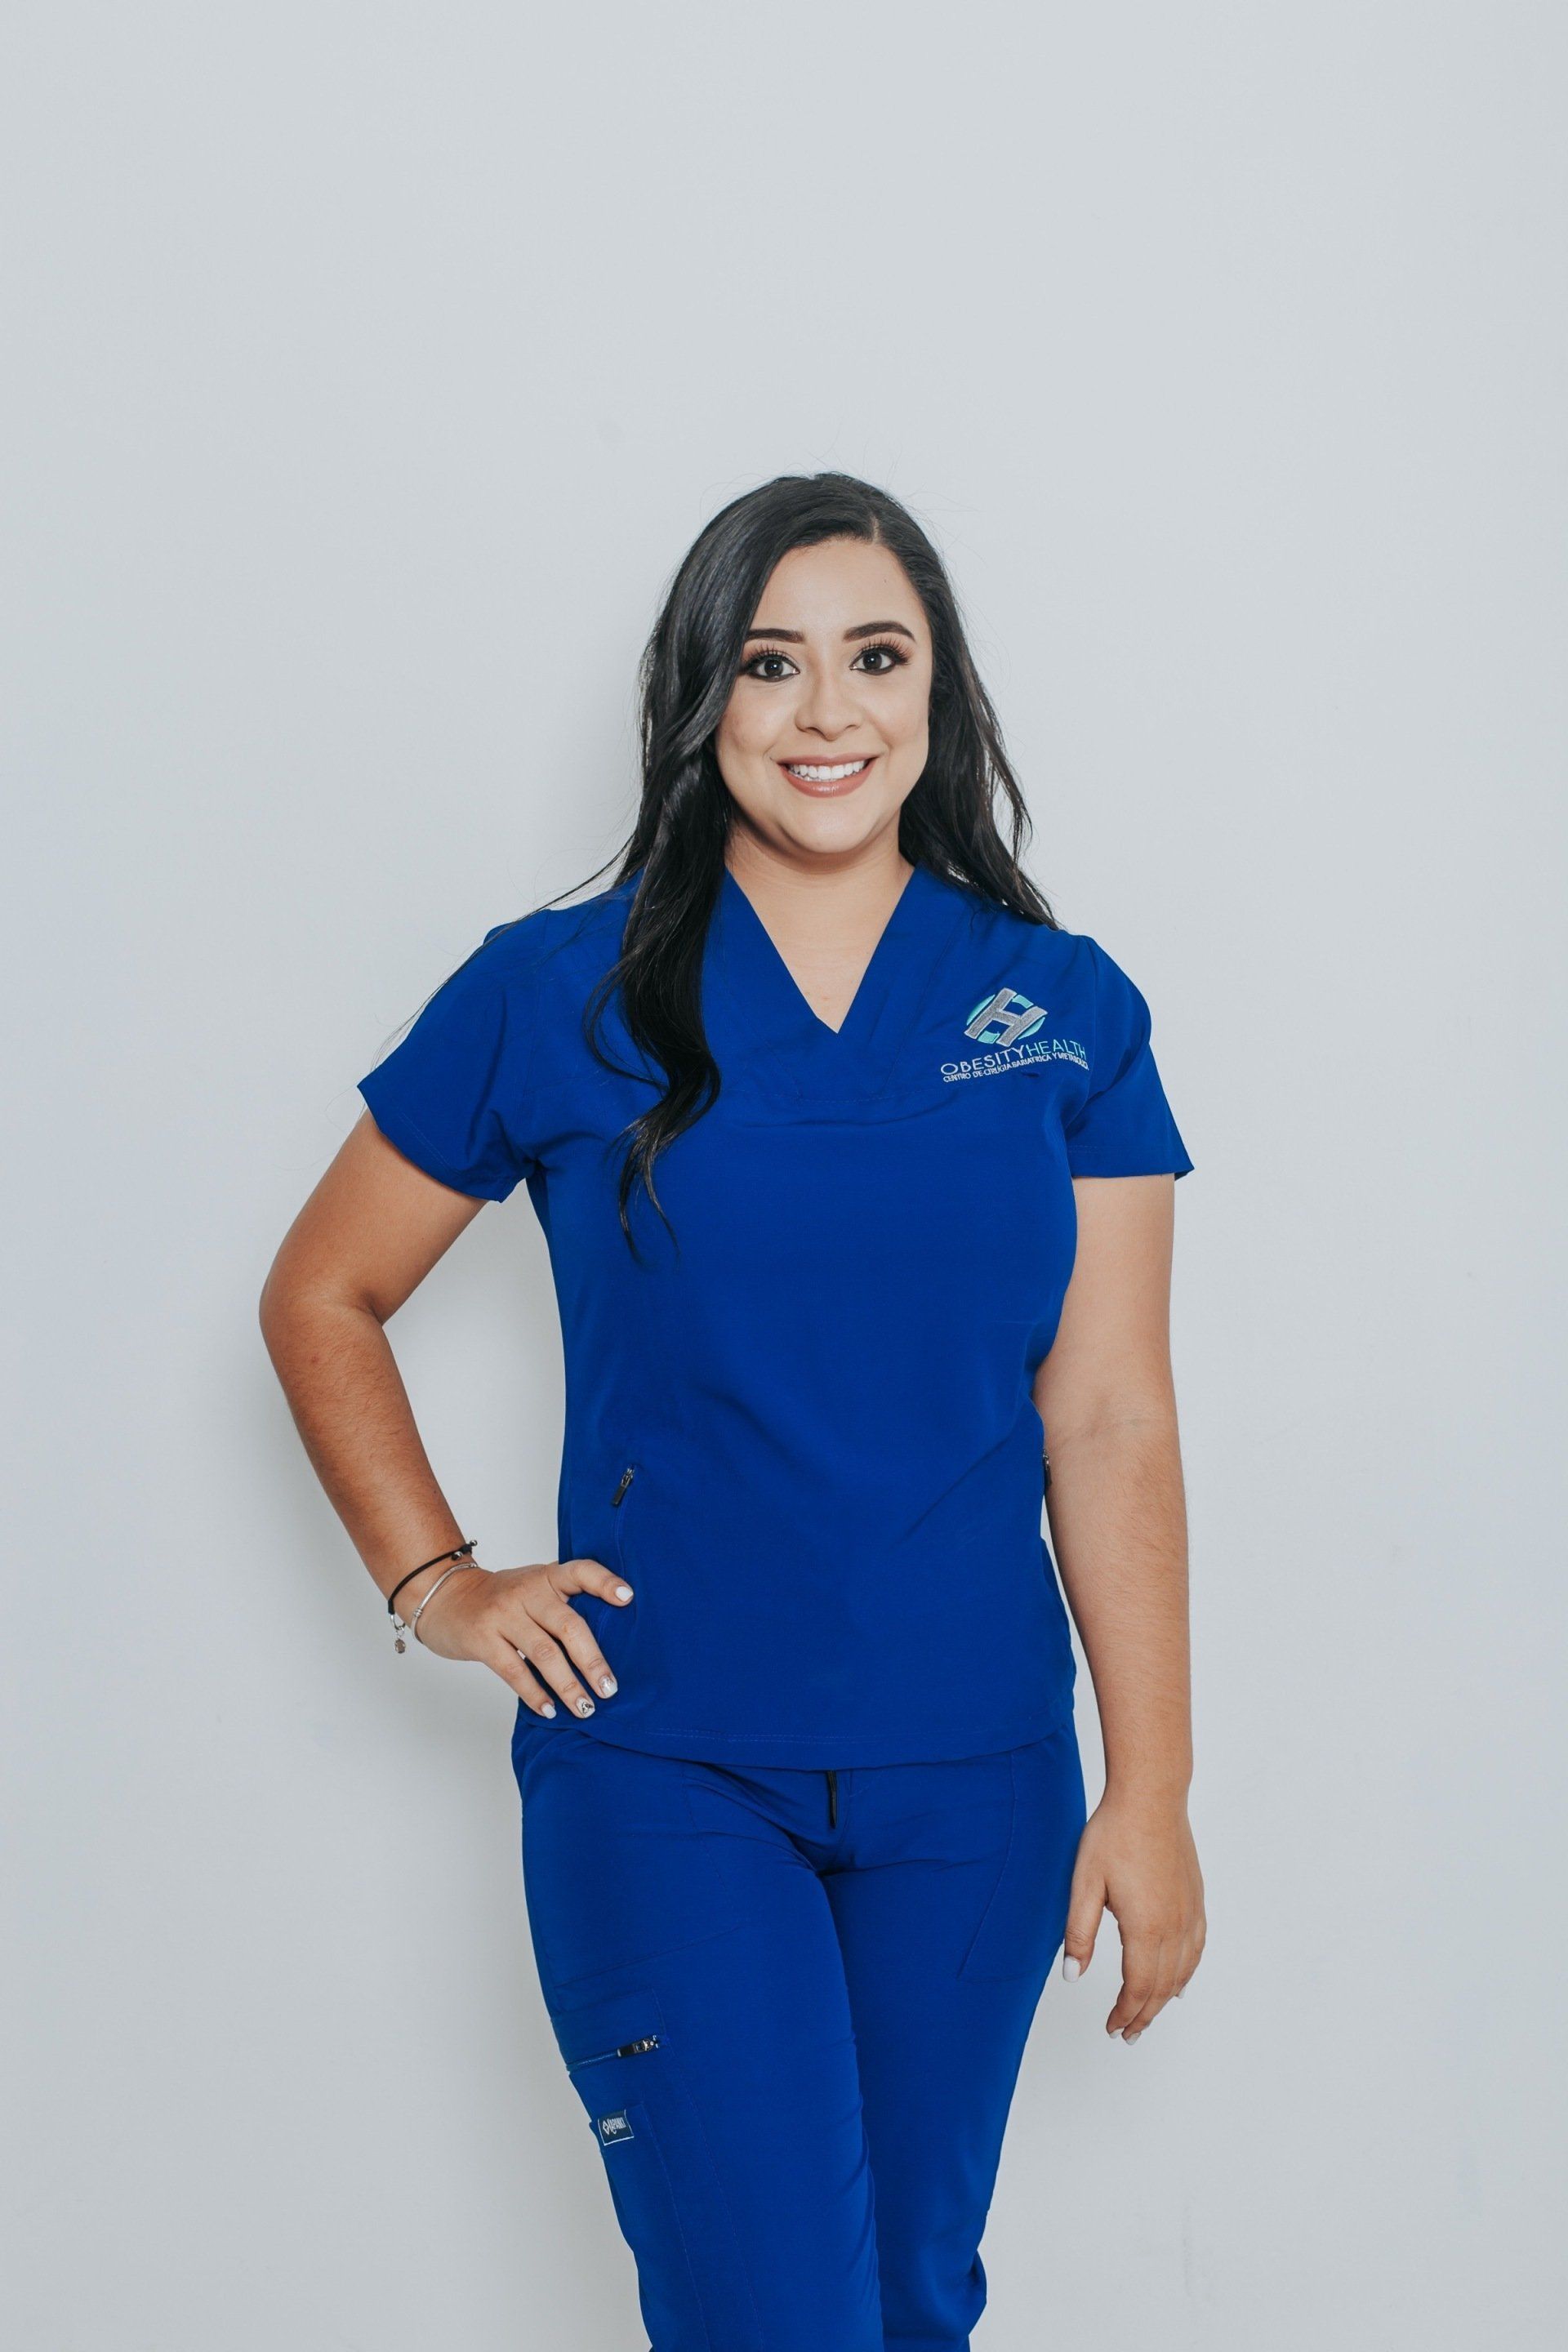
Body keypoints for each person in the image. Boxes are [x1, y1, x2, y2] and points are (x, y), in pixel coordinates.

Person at [259, 470, 1205, 2352]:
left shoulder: (1063, 1011)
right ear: (702, 698)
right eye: (770, 663)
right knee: (774, 2320)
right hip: (666, 1770)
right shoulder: (557, 990)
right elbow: (321, 1292)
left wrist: (1152, 1788)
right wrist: (439, 1583)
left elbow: (1109, 1415)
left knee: (909, 2307)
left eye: (877, 657)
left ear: (942, 694)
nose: (825, 711)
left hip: (977, 1782)